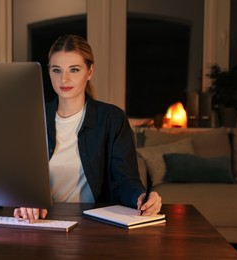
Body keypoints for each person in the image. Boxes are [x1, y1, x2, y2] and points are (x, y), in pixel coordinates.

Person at [14, 34, 162, 222]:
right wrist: (26, 200)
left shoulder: (112, 119)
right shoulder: (33, 117)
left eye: (74, 70)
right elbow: (19, 179)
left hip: (94, 225)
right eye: (56, 70)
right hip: (42, 223)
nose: (64, 79)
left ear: (89, 71)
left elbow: (125, 181)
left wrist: (142, 198)